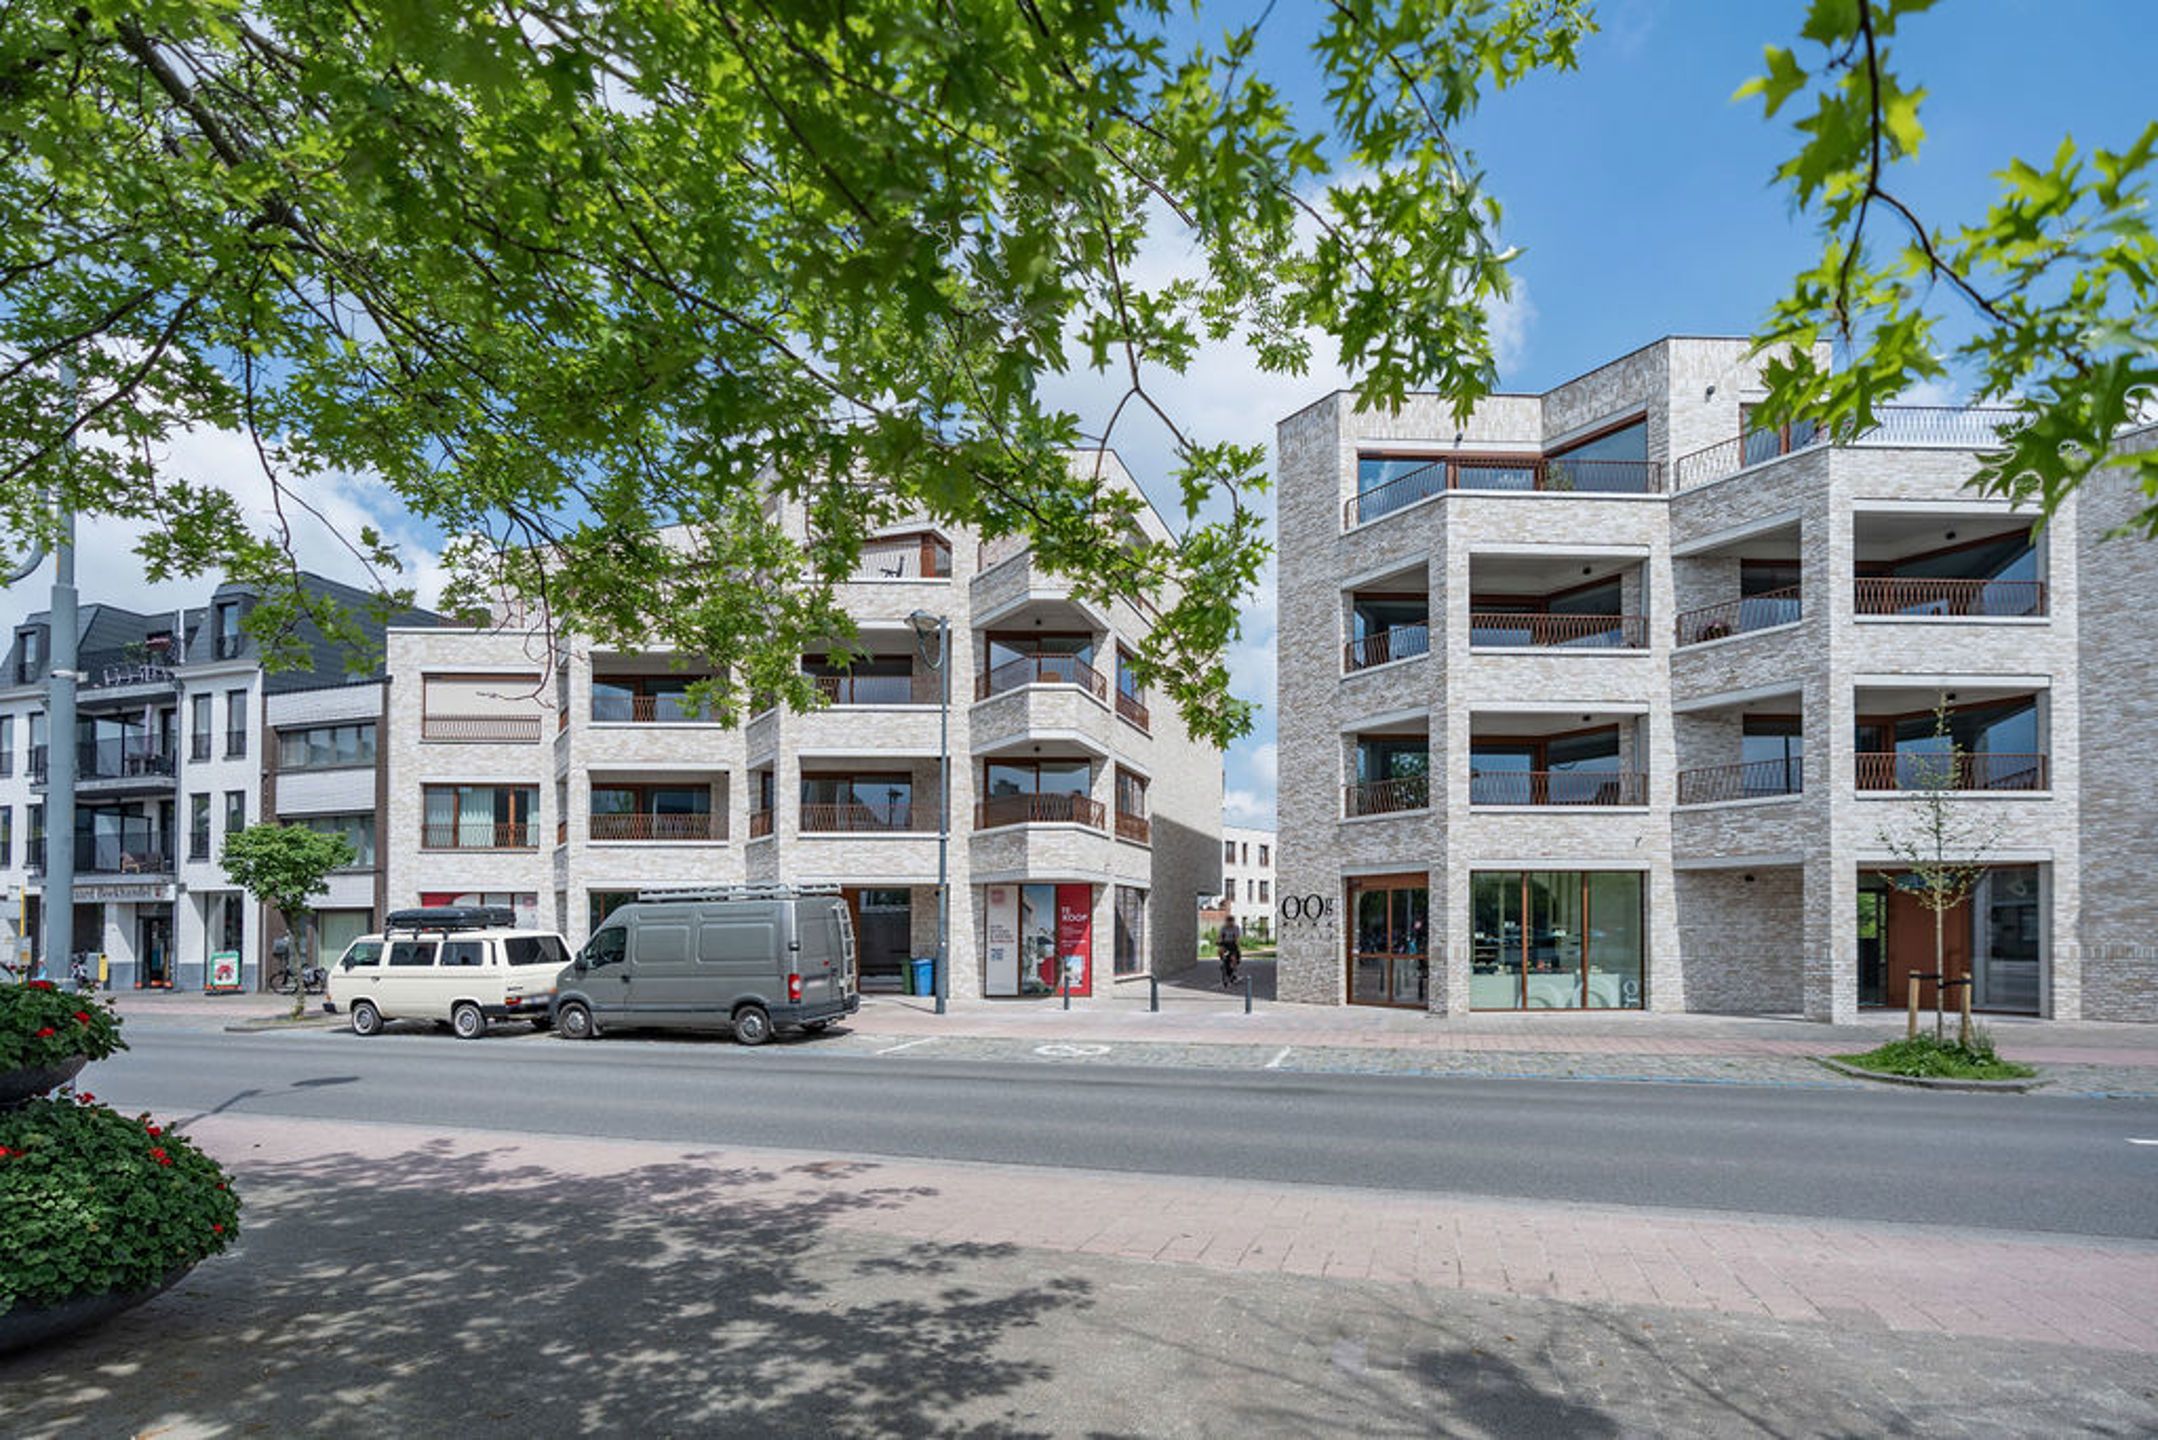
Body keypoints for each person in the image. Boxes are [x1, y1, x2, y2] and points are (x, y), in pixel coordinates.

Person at [1218, 916, 1242, 988]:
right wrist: (1219, 941)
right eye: (1228, 922)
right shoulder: (1223, 928)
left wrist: (1237, 943)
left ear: (1233, 922)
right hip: (1225, 944)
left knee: (1233, 958)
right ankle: (1222, 961)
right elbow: (1220, 937)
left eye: (1231, 922)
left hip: (1233, 944)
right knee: (1220, 950)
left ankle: (1234, 971)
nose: (1229, 923)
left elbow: (1237, 938)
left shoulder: (1236, 928)